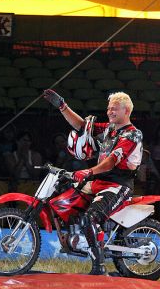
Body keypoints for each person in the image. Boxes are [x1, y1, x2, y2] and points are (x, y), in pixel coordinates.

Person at [44, 89, 143, 275]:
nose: (110, 112)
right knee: (64, 191)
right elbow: (82, 126)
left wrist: (88, 171)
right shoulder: (109, 129)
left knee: (91, 217)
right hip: (98, 182)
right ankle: (75, 239)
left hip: (118, 185)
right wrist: (62, 106)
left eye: (115, 109)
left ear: (126, 111)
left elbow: (111, 162)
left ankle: (99, 266)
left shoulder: (132, 134)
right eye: (108, 109)